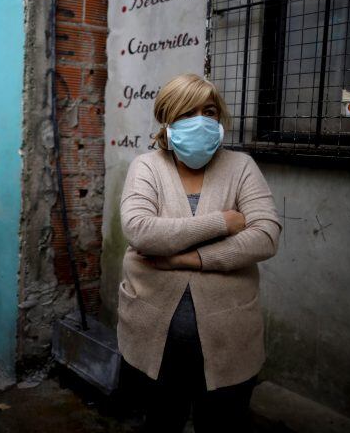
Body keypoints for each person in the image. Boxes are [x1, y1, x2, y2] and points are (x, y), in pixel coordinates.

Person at [117, 73, 282, 432]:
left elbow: (266, 235)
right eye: (188, 112)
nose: (202, 121)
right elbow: (140, 230)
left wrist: (186, 258)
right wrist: (222, 222)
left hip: (229, 340)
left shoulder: (241, 167)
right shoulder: (147, 167)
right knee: (161, 421)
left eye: (209, 111)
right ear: (169, 120)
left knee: (223, 424)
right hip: (154, 341)